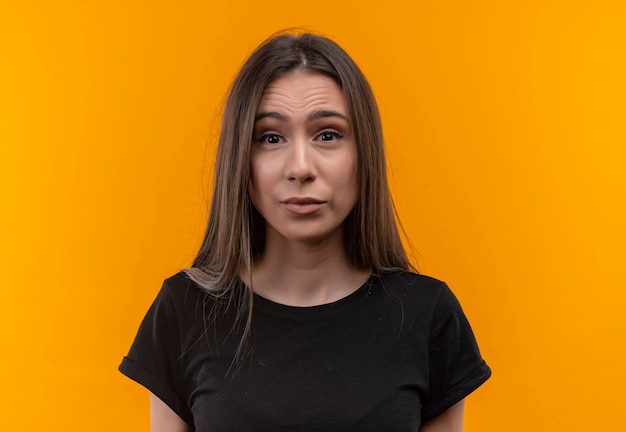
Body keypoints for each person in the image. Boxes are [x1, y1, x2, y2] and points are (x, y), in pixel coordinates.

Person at [119, 31, 491, 432]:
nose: (300, 167)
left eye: (328, 134)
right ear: (240, 160)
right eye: (271, 138)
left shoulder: (428, 314)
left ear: (364, 153)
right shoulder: (185, 311)